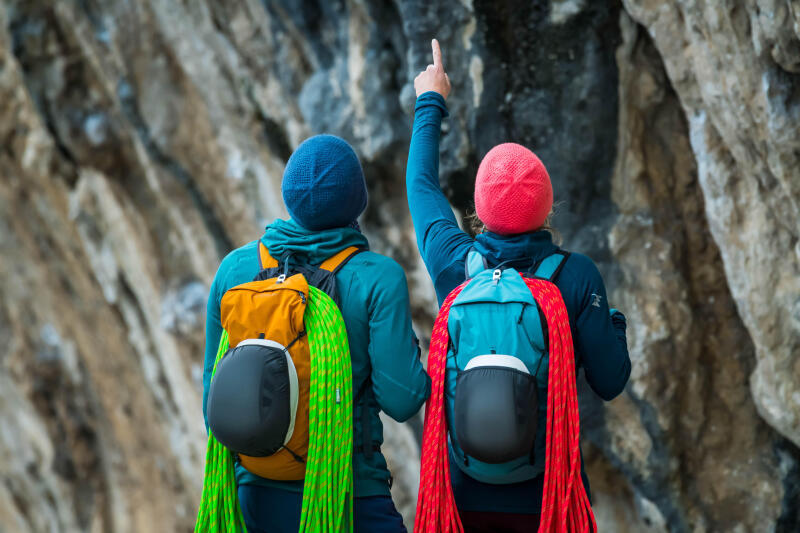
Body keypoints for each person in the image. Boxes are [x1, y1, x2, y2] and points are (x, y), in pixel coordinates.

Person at [406, 39, 631, 532]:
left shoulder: (453, 264)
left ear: (478, 211)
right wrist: (614, 322)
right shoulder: (574, 277)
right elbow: (611, 382)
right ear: (547, 209)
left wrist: (431, 98)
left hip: (461, 496)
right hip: (548, 499)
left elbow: (422, 187)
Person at [203, 134, 431, 533]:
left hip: (252, 497)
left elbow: (213, 399)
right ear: (356, 201)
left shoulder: (236, 270)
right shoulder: (375, 278)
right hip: (349, 497)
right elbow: (402, 400)